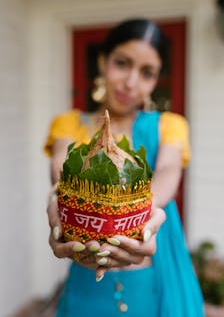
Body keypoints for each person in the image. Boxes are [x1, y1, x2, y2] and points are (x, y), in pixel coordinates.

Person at [44, 18, 204, 316]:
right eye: (122, 63)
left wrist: (131, 216)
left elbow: (169, 172)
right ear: (103, 61)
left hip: (153, 276)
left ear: (156, 81)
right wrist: (59, 196)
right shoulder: (69, 124)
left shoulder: (169, 126)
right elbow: (61, 167)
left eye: (147, 73)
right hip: (86, 275)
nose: (131, 82)